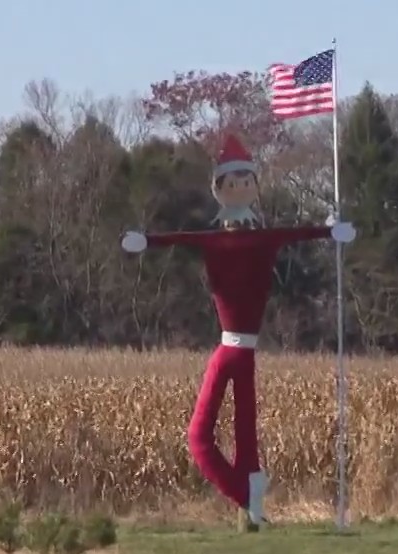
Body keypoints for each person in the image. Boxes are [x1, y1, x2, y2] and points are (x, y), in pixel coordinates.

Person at [121, 134, 355, 530]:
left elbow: (293, 232)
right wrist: (147, 241)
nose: (241, 189)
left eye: (246, 183)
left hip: (231, 350)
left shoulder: (244, 239)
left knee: (199, 436)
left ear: (252, 188)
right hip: (242, 351)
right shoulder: (234, 239)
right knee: (245, 432)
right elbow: (187, 239)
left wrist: (327, 231)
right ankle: (252, 503)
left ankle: (248, 498)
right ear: (221, 189)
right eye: (234, 184)